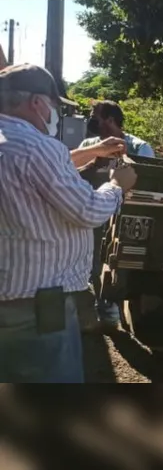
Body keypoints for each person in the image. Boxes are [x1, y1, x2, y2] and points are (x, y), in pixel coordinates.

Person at [0, 63, 137, 382]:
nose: (54, 114)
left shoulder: (16, 144)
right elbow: (88, 211)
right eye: (53, 106)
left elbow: (36, 168)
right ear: (37, 102)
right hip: (38, 306)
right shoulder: (38, 148)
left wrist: (93, 153)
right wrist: (118, 185)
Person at [77, 100, 154, 329]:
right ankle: (106, 315)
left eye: (95, 116)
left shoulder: (139, 147)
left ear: (110, 120)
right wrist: (93, 162)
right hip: (93, 215)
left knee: (122, 267)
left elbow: (149, 185)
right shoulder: (89, 145)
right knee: (92, 265)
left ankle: (133, 314)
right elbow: (72, 177)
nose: (91, 120)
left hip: (127, 221)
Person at [79, 100, 155, 157]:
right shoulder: (87, 145)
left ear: (110, 120)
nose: (91, 122)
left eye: (95, 118)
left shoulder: (140, 148)